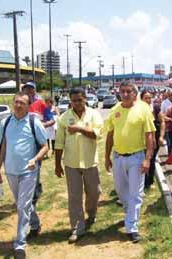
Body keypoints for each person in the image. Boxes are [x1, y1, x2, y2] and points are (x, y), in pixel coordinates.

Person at [0, 92, 48, 259]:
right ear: (12, 103)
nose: (18, 105)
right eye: (16, 102)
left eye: (22, 103)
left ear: (28, 105)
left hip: (28, 171)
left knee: (22, 206)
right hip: (11, 171)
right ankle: (35, 224)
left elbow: (45, 147)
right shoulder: (5, 122)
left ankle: (20, 244)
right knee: (23, 204)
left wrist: (35, 159)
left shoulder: (34, 122)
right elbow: (2, 148)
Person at [105, 81, 155, 243]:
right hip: (118, 157)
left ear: (135, 93)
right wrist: (106, 157)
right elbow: (110, 135)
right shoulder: (114, 110)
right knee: (121, 191)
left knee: (135, 193)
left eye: (129, 91)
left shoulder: (143, 110)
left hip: (136, 157)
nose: (125, 94)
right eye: (123, 91)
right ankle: (129, 215)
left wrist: (147, 159)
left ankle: (131, 227)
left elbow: (150, 136)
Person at [54, 87, 103, 243]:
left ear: (85, 99)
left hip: (90, 162)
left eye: (79, 100)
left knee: (94, 192)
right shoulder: (64, 118)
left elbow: (97, 134)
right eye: (73, 101)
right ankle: (77, 227)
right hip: (71, 163)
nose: (76, 103)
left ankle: (91, 213)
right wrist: (57, 164)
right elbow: (59, 143)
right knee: (75, 197)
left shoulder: (94, 114)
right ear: (70, 101)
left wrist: (80, 129)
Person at [21, 81, 55, 238]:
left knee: (34, 171)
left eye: (30, 89)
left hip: (37, 147)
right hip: (22, 148)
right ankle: (36, 189)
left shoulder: (41, 104)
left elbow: (52, 120)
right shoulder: (20, 104)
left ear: (34, 90)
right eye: (26, 89)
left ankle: (34, 195)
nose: (28, 91)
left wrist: (41, 125)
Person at [140, 90, 165, 189]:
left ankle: (149, 181)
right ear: (141, 99)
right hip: (142, 139)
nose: (148, 100)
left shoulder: (155, 109)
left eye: (149, 98)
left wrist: (161, 136)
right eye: (146, 98)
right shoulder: (138, 110)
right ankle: (143, 181)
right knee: (142, 159)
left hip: (155, 138)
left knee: (151, 158)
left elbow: (162, 122)